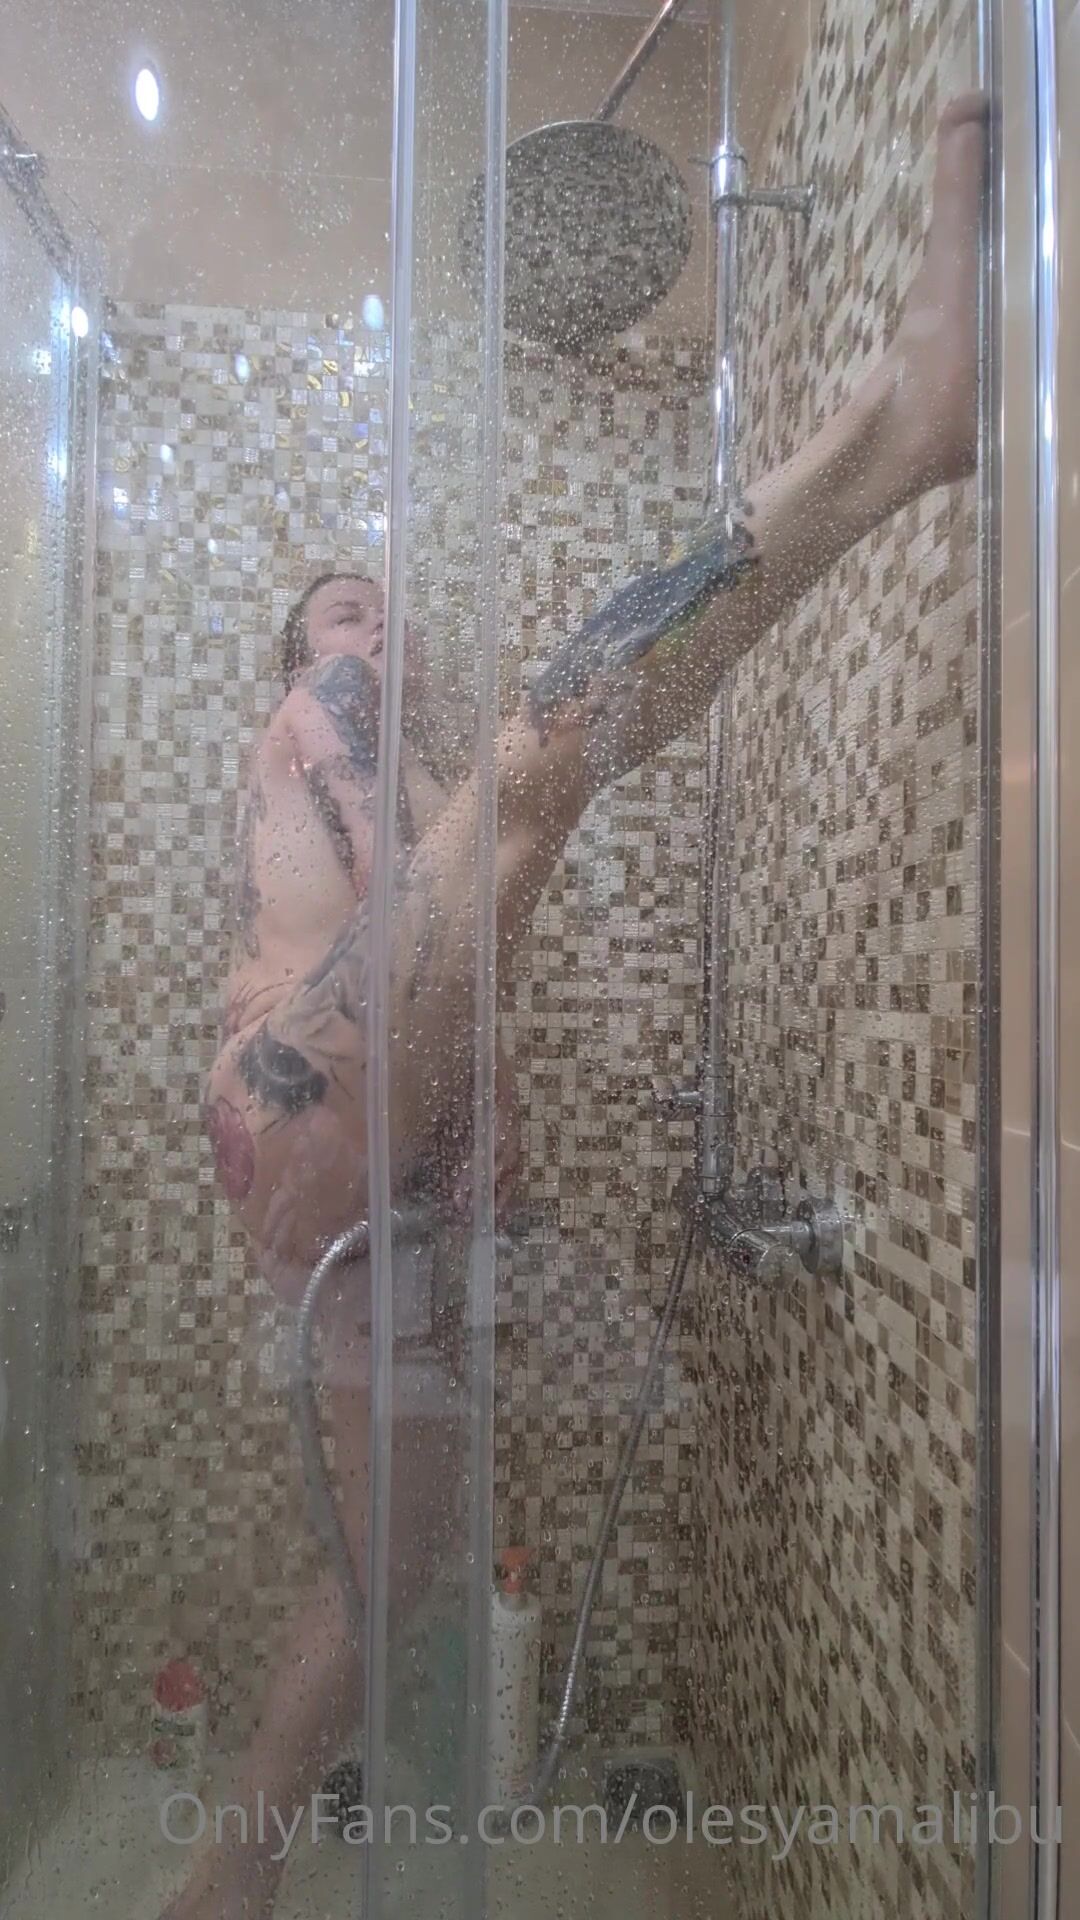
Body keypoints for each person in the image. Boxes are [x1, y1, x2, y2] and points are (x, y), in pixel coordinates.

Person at [165, 92, 987, 1918]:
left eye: (382, 612)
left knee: (390, 1565)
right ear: (300, 657)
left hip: (331, 1157)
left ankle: (229, 1879)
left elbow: (431, 951)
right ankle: (897, 428)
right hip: (310, 1089)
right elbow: (413, 873)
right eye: (342, 614)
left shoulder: (364, 756)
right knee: (549, 756)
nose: (372, 630)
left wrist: (480, 1113)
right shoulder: (325, 717)